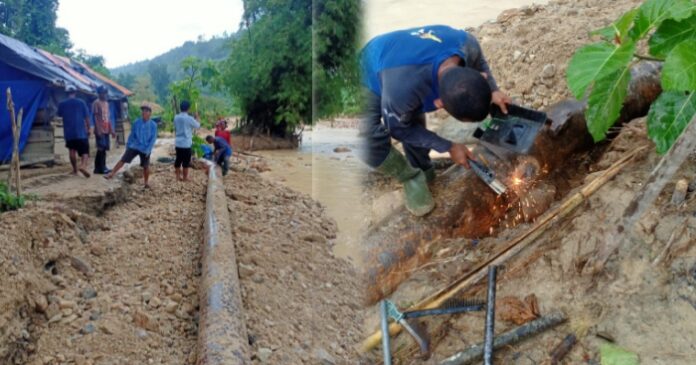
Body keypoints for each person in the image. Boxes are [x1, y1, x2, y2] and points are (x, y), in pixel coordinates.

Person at [359, 25, 511, 216]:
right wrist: (448, 146)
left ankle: (423, 167)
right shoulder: (403, 89)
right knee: (367, 137)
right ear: (439, 103)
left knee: (410, 114)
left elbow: (480, 61)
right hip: (371, 69)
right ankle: (410, 176)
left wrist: (493, 90)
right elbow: (398, 129)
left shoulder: (466, 45)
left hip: (408, 62)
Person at [105, 102, 158, 188]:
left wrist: (148, 150)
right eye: (143, 111)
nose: (143, 112)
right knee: (123, 159)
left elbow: (153, 139)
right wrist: (128, 145)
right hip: (135, 146)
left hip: (145, 148)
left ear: (150, 113)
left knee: (146, 166)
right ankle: (111, 173)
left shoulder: (153, 125)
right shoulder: (137, 122)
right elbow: (132, 135)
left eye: (146, 111)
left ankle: (146, 183)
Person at [57, 85, 91, 178]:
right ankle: (83, 166)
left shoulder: (62, 104)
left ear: (66, 93)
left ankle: (75, 170)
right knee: (85, 151)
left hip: (69, 132)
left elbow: (59, 115)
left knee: (72, 150)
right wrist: (89, 128)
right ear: (75, 93)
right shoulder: (81, 102)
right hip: (81, 132)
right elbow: (87, 117)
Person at [173, 100, 200, 181]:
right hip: (186, 143)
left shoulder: (176, 117)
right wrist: (197, 117)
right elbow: (197, 126)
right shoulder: (189, 118)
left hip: (178, 143)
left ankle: (177, 177)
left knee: (178, 160)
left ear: (181, 108)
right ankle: (185, 178)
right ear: (188, 108)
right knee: (186, 162)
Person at [91, 85, 116, 174]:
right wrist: (98, 129)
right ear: (99, 93)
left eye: (106, 93)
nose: (105, 95)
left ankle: (99, 168)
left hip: (106, 129)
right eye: (103, 93)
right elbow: (95, 118)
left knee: (104, 148)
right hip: (100, 129)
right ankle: (101, 167)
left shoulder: (106, 104)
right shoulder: (96, 103)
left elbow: (108, 118)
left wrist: (111, 130)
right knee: (101, 148)